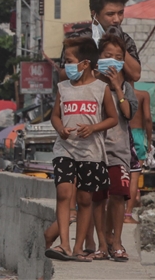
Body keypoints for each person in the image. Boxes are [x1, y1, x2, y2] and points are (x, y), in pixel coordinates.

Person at [45, 37, 118, 262]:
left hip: (91, 152)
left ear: (84, 63)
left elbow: (113, 118)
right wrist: (60, 129)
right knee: (64, 192)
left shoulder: (101, 89)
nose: (65, 66)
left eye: (68, 61)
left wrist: (93, 127)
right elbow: (55, 115)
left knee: (85, 199)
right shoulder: (62, 88)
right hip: (65, 149)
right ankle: (64, 244)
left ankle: (79, 248)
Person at [90, 34, 137, 262]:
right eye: (108, 56)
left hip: (118, 151)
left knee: (118, 195)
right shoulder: (91, 85)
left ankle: (117, 242)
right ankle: (102, 243)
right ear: (99, 57)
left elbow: (128, 113)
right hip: (95, 151)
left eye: (118, 57)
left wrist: (118, 89)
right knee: (98, 199)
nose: (113, 61)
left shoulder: (127, 87)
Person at [56, 0, 141, 84]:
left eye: (120, 13)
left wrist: (118, 43)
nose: (117, 19)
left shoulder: (126, 40)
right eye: (110, 14)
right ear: (94, 14)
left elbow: (135, 75)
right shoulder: (78, 40)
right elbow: (62, 75)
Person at [125, 89, 152, 223]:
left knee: (119, 174)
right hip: (138, 134)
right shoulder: (143, 95)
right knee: (134, 176)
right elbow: (147, 118)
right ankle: (127, 215)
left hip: (121, 133)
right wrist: (149, 139)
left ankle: (110, 211)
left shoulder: (117, 92)